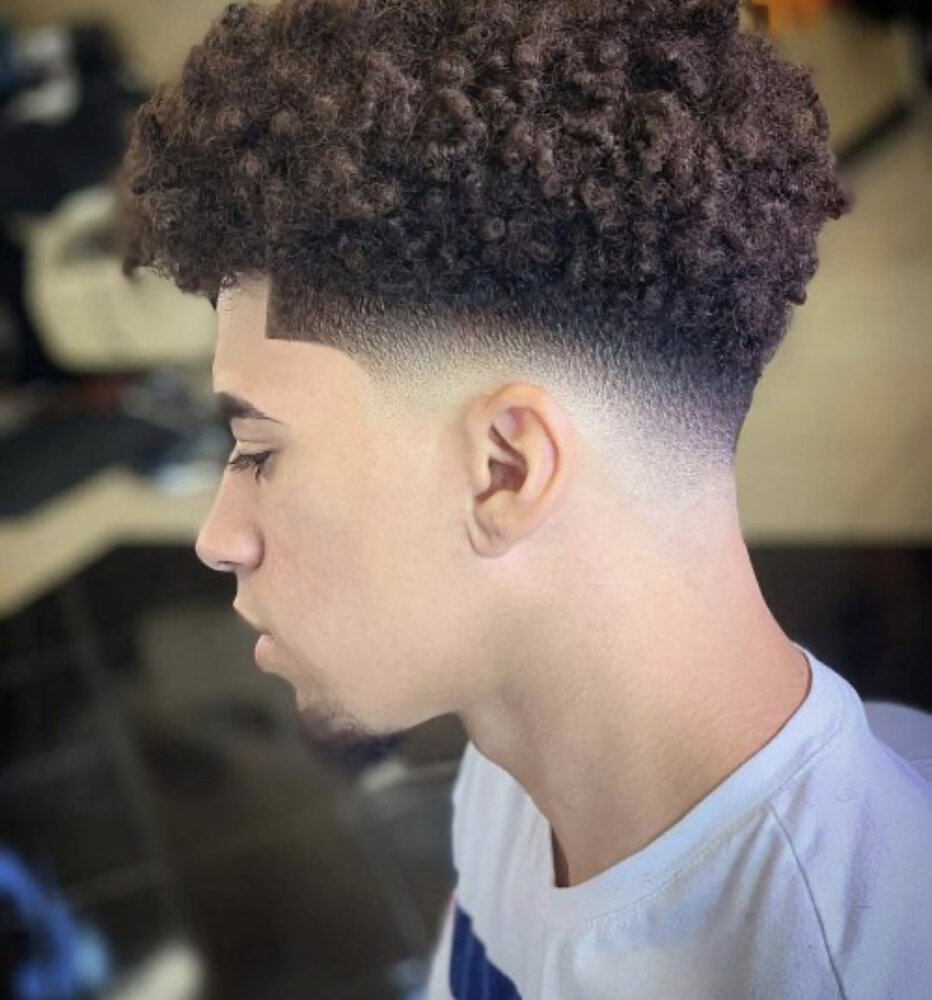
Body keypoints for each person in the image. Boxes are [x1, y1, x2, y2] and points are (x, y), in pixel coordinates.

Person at [115, 0, 932, 996]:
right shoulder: (515, 774)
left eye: (258, 451)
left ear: (505, 469)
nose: (219, 537)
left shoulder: (836, 966)